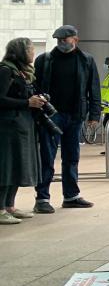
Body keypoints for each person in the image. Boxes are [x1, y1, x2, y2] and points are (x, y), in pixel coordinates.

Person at [32, 24, 101, 213]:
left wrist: (94, 114)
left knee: (71, 157)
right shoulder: (45, 60)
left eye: (65, 39)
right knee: (47, 156)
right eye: (59, 40)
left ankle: (71, 196)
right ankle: (42, 198)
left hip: (75, 115)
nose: (61, 43)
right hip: (50, 116)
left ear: (75, 39)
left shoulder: (86, 60)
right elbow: (35, 87)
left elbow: (93, 89)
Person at [0, 38, 45, 225]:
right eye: (30, 50)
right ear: (20, 52)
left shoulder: (24, 72)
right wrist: (27, 103)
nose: (33, 53)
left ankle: (10, 206)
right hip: (8, 127)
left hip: (22, 125)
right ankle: (1, 209)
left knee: (19, 166)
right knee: (7, 167)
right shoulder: (5, 70)